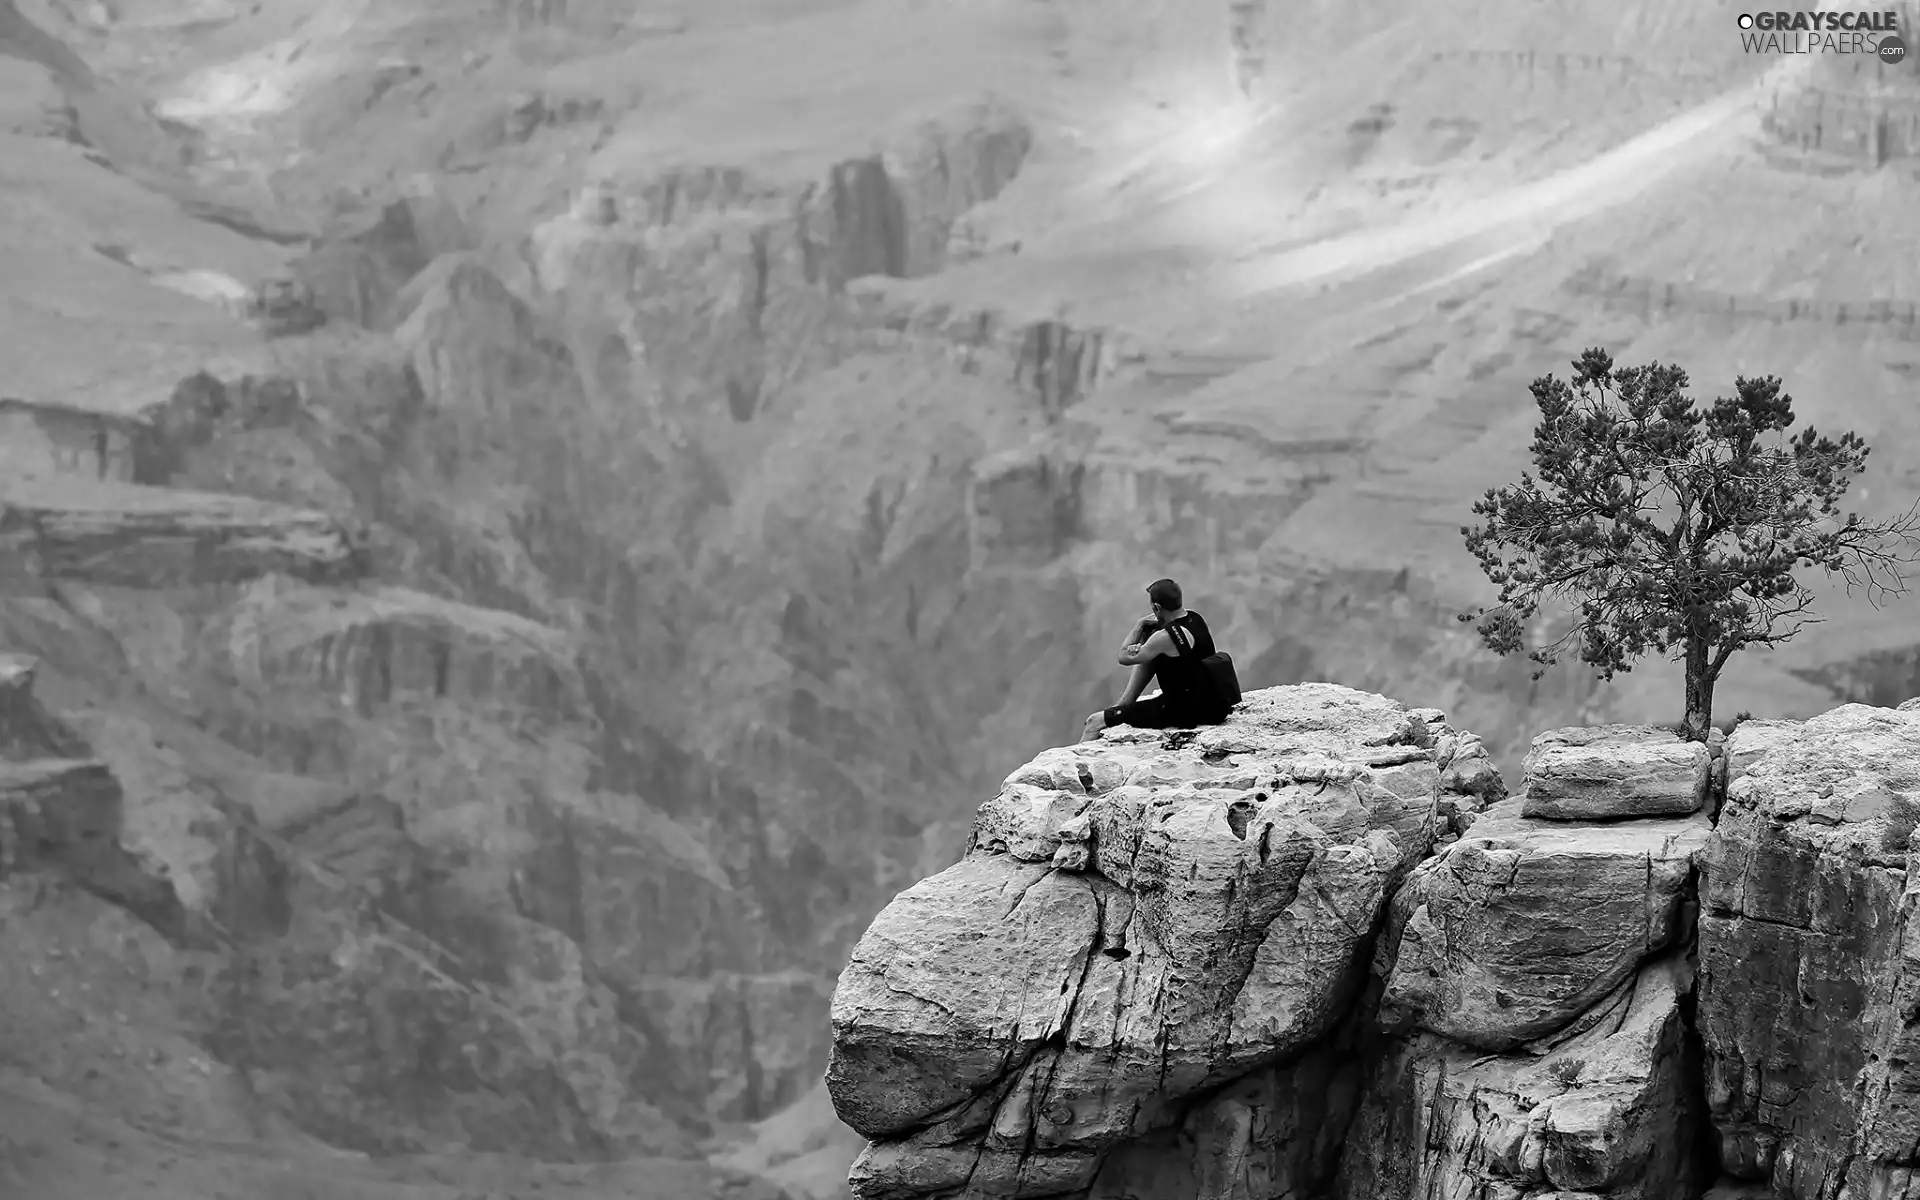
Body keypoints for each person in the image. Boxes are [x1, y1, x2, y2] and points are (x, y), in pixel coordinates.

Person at [1081, 578, 1227, 742]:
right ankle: (1124, 705)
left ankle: (1118, 713)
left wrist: (1139, 625)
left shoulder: (1165, 637)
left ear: (1157, 608)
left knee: (1094, 722)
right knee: (1154, 655)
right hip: (1211, 705)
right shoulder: (1195, 619)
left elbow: (1123, 657)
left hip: (1182, 711)